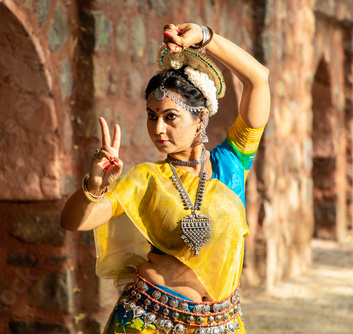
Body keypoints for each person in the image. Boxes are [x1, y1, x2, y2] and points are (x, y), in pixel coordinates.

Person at [61, 22, 270, 334]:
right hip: (147, 322)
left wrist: (204, 37)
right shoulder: (146, 178)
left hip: (222, 324)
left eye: (170, 117)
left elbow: (258, 79)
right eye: (151, 116)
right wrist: (94, 186)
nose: (158, 129)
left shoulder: (232, 163)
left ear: (201, 118)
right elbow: (74, 222)